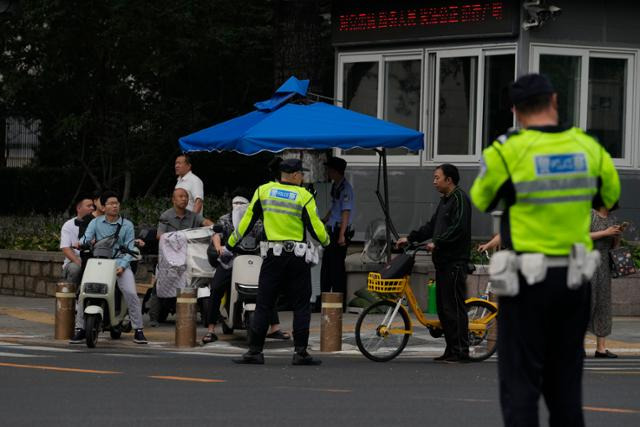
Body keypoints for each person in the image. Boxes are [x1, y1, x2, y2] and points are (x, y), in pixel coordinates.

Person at [470, 73, 620, 426]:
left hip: (525, 282)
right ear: (554, 100)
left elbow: (482, 198)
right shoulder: (588, 146)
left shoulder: (506, 150)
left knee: (521, 385)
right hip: (573, 283)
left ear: (516, 111)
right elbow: (609, 198)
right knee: (566, 386)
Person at [225, 158, 330, 365]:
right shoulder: (304, 196)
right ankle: (300, 353)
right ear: (293, 175)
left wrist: (229, 245)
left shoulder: (263, 191)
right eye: (301, 173)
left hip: (272, 257)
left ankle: (255, 351)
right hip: (297, 258)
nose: (302, 177)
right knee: (301, 305)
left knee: (264, 303)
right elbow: (316, 229)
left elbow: (246, 222)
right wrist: (327, 240)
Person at [396, 163, 472, 364]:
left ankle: (462, 350)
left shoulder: (460, 199)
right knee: (444, 308)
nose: (434, 181)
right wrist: (410, 238)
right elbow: (431, 226)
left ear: (449, 180)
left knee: (455, 307)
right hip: (442, 262)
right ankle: (451, 348)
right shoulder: (444, 201)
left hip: (455, 262)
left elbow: (458, 228)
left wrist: (438, 242)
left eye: (437, 177)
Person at [201, 190, 290, 344]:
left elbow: (266, 234)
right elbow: (217, 234)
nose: (238, 206)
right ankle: (210, 330)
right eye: (235, 203)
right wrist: (219, 247)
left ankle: (274, 328)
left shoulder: (256, 221)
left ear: (249, 205)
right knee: (216, 287)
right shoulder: (225, 219)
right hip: (230, 259)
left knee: (269, 287)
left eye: (242, 203)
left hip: (253, 259)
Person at [69, 191, 148, 345]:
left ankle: (138, 330)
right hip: (99, 263)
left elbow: (130, 248)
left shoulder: (127, 225)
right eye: (110, 203)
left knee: (131, 292)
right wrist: (82, 242)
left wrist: (123, 266)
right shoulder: (95, 222)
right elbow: (86, 238)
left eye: (116, 203)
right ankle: (80, 329)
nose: (114, 206)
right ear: (103, 207)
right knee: (83, 292)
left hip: (119, 263)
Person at [147, 187, 213, 327]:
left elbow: (205, 222)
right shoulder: (166, 216)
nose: (184, 199)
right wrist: (178, 237)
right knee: (159, 283)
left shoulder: (193, 215)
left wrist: (214, 227)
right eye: (181, 196)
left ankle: (211, 313)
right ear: (173, 199)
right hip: (171, 259)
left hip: (191, 256)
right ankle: (153, 316)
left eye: (186, 197)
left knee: (206, 278)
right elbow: (160, 235)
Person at [320, 157, 354, 309]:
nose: (327, 172)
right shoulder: (336, 186)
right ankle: (325, 298)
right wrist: (324, 219)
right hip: (332, 229)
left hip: (339, 231)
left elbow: (346, 212)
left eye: (329, 169)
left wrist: (342, 234)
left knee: (337, 268)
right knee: (327, 266)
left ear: (335, 171)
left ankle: (338, 302)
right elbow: (334, 207)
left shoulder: (346, 188)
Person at [588, 207, 622, 358]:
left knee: (603, 305)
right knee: (586, 304)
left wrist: (617, 236)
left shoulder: (612, 218)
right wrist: (605, 233)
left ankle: (601, 348)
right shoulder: (590, 214)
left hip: (604, 265)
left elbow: (615, 247)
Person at [60, 196, 95, 285]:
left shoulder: (98, 223)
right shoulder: (69, 225)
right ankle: (70, 296)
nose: (92, 208)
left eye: (93, 206)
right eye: (89, 206)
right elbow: (65, 248)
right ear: (79, 208)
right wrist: (78, 262)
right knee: (74, 269)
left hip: (94, 258)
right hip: (76, 259)